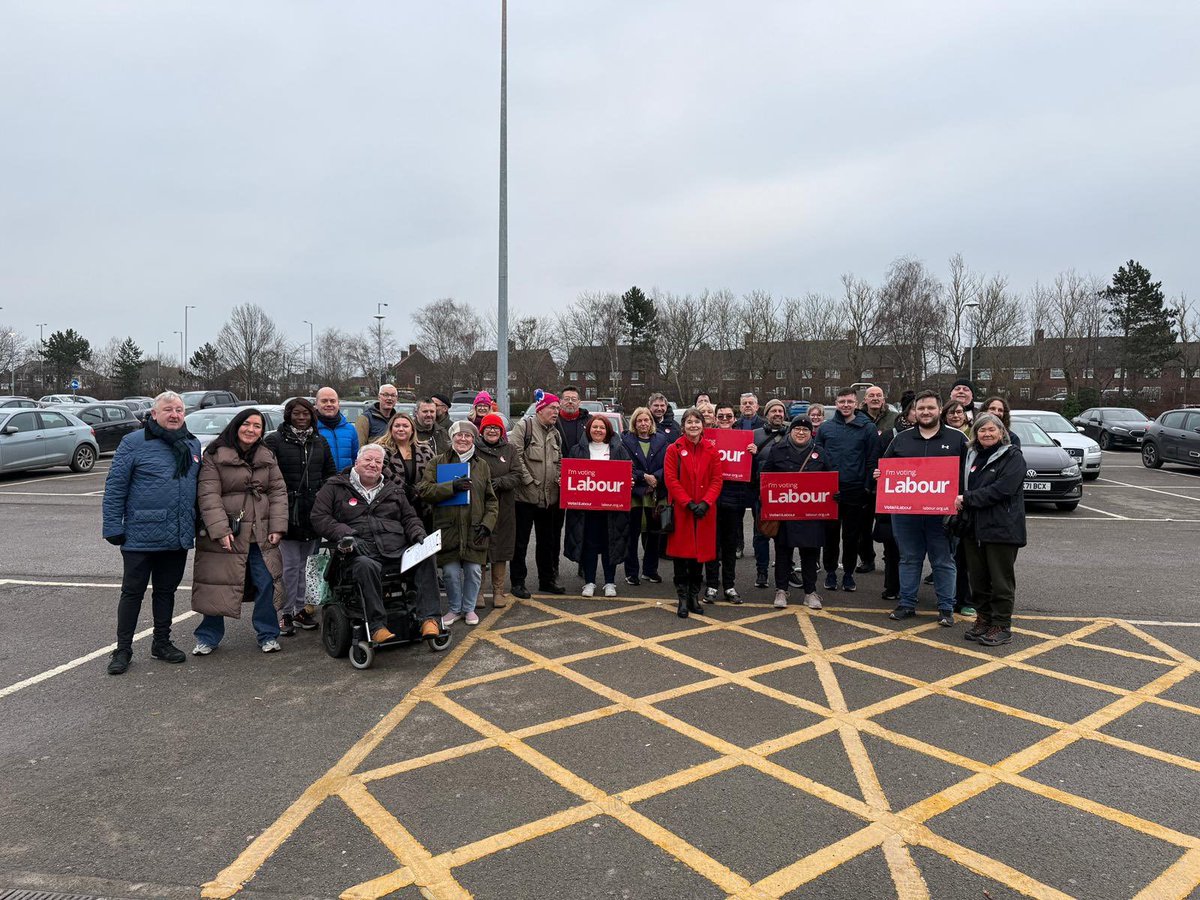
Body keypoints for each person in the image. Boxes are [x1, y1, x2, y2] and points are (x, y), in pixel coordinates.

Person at [102, 391, 202, 675]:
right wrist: (113, 526)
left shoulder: (192, 444)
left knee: (166, 592)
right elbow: (115, 486)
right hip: (140, 534)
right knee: (132, 593)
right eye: (168, 409)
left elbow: (197, 489)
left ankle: (161, 642)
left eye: (179, 410)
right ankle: (123, 649)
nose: (175, 415)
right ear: (154, 414)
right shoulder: (134, 442)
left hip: (177, 534)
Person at [311, 444, 442, 642]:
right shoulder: (335, 487)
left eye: (378, 462)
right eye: (368, 460)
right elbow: (319, 517)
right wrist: (347, 534)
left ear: (382, 466)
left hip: (396, 550)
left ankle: (429, 619)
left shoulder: (393, 489)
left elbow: (409, 518)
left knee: (426, 556)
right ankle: (377, 626)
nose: (373, 464)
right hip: (358, 552)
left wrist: (417, 533)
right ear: (356, 462)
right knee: (366, 565)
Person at [191, 408, 289, 655]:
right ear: (236, 425)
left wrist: (277, 526)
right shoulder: (214, 454)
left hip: (260, 532)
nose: (251, 430)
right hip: (226, 531)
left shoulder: (267, 455)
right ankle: (208, 637)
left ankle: (268, 634)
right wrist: (220, 529)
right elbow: (208, 495)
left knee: (267, 582)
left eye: (257, 426)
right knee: (216, 583)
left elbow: (278, 491)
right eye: (246, 424)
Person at [880, 390, 968, 626]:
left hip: (943, 514)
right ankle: (907, 604)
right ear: (914, 411)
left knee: (943, 561)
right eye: (921, 408)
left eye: (930, 408)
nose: (925, 412)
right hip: (906, 513)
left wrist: (963, 498)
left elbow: (970, 474)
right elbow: (886, 469)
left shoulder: (958, 439)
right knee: (909, 559)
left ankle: (946, 609)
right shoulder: (901, 439)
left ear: (940, 410)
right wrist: (880, 475)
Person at [262, 397, 335, 636]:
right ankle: (284, 612)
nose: (301, 418)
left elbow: (330, 473)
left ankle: (301, 609)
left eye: (305, 414)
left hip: (313, 512)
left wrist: (323, 496)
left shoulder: (320, 441)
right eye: (296, 414)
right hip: (287, 512)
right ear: (288, 415)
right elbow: (266, 476)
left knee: (308, 566)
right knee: (289, 567)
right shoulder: (274, 441)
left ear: (312, 416)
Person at [956, 413, 1027, 647]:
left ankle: (1001, 625)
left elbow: (1002, 490)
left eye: (991, 429)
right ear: (975, 434)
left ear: (1001, 432)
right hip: (973, 528)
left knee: (1000, 581)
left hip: (1001, 529)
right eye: (982, 430)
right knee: (978, 579)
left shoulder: (1013, 456)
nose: (987, 434)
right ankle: (984, 619)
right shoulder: (971, 456)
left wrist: (968, 498)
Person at [418, 421, 499, 626]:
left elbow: (491, 500)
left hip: (475, 528)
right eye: (459, 435)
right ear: (452, 438)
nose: (463, 439)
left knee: (474, 571)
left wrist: (487, 524)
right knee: (450, 573)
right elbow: (425, 490)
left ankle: (469, 608)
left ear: (474, 439)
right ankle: (454, 608)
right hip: (448, 528)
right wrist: (451, 487)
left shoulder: (482, 465)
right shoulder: (438, 462)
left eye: (468, 435)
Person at [815, 387, 880, 593]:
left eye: (850, 402)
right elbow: (818, 458)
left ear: (857, 404)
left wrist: (867, 488)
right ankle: (831, 572)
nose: (845, 405)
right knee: (830, 535)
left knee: (852, 537)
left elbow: (872, 460)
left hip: (856, 489)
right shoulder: (826, 428)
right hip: (830, 490)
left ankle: (849, 574)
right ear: (836, 403)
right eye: (842, 401)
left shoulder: (868, 428)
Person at [761, 415, 830, 610]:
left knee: (810, 553)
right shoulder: (777, 450)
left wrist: (834, 494)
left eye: (805, 430)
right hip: (785, 511)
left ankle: (810, 592)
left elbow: (831, 477)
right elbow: (765, 476)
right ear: (790, 431)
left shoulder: (819, 452)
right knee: (783, 552)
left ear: (811, 433)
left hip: (811, 512)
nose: (801, 432)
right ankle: (781, 590)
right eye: (797, 429)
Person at [664, 407, 722, 618]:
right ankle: (682, 598)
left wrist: (706, 503)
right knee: (681, 557)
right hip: (683, 511)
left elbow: (717, 479)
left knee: (699, 557)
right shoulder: (674, 449)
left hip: (704, 512)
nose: (693, 425)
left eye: (697, 422)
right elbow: (671, 480)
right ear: (683, 426)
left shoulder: (711, 449)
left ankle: (693, 596)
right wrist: (688, 503)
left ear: (702, 425)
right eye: (689, 422)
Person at [563, 416, 631, 597]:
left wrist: (629, 481)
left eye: (602, 427)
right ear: (589, 429)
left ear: (608, 430)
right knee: (589, 545)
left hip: (612, 510)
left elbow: (627, 473)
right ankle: (589, 582)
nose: (598, 430)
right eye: (595, 427)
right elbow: (570, 475)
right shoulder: (577, 450)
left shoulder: (619, 450)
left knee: (610, 545)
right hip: (586, 510)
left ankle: (610, 582)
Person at [509, 391, 565, 597]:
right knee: (520, 542)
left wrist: (558, 478)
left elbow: (559, 461)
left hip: (549, 497)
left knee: (547, 541)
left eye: (558, 409)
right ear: (540, 409)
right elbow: (515, 457)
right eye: (552, 408)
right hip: (524, 497)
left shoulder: (556, 433)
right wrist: (529, 482)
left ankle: (546, 580)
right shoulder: (524, 427)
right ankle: (518, 582)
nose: (556, 412)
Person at [474, 412, 529, 609]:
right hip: (479, 507)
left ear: (501, 431)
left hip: (504, 507)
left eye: (496, 428)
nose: (492, 430)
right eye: (488, 427)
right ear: (482, 431)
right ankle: (478, 592)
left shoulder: (510, 449)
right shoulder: (474, 449)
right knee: (480, 549)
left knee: (501, 550)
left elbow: (517, 475)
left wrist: (500, 482)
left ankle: (498, 592)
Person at [704, 401, 755, 603]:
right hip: (711, 499)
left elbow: (751, 471)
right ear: (715, 418)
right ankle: (711, 585)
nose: (724, 419)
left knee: (730, 545)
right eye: (721, 416)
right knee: (712, 545)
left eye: (728, 416)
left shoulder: (744, 440)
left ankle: (729, 585)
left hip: (735, 499)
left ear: (734, 419)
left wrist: (753, 454)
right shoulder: (707, 439)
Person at [875, 394, 916, 603]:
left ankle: (911, 591)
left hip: (924, 499)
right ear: (907, 412)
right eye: (916, 409)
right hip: (896, 499)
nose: (921, 413)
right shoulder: (890, 436)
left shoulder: (939, 437)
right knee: (893, 547)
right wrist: (877, 476)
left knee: (914, 551)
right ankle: (892, 586)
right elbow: (879, 463)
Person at [621, 406, 668, 586]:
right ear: (634, 423)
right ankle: (631, 572)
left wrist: (656, 477)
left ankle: (650, 571)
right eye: (639, 420)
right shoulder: (625, 441)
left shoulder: (662, 440)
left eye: (646, 420)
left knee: (654, 535)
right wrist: (643, 477)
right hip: (634, 494)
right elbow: (625, 465)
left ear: (651, 422)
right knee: (632, 535)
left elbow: (668, 463)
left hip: (655, 494)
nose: (643, 423)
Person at [856, 385, 896, 576]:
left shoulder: (894, 418)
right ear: (864, 399)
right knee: (862, 524)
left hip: (889, 480)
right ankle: (867, 558)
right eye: (871, 395)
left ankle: (890, 558)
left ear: (883, 399)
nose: (875, 398)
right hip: (863, 476)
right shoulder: (857, 418)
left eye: (878, 395)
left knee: (887, 523)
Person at [750, 398, 789, 587]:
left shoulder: (793, 432)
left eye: (780, 411)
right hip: (762, 491)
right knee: (761, 534)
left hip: (787, 492)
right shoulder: (754, 435)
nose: (777, 414)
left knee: (785, 535)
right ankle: (762, 572)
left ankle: (786, 570)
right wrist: (751, 454)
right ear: (766, 415)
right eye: (773, 411)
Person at [375, 411, 435, 510]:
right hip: (391, 505)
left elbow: (434, 474)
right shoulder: (380, 450)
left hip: (422, 506)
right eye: (397, 426)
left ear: (412, 430)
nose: (401, 429)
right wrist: (406, 490)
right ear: (391, 429)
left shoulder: (425, 450)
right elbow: (380, 473)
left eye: (405, 426)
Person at [315, 387, 359, 472]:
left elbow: (356, 459)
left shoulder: (350, 429)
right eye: (324, 401)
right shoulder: (311, 429)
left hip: (345, 478)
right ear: (316, 404)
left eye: (332, 401)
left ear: (338, 404)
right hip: (321, 479)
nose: (329, 404)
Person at [556, 385, 592, 450]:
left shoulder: (589, 421)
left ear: (579, 402)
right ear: (560, 401)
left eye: (574, 399)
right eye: (566, 399)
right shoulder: (553, 420)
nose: (570, 402)